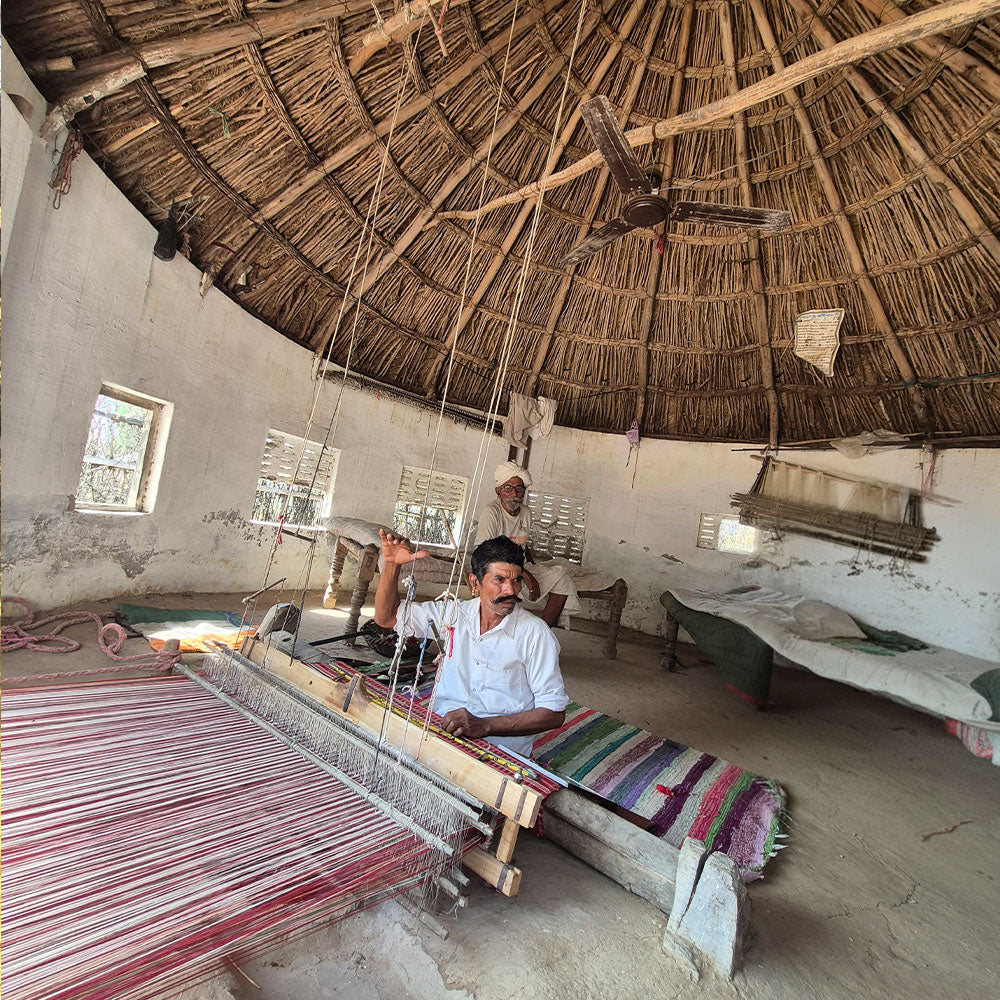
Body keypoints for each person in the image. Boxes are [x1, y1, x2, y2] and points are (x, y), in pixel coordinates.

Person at [372, 530, 568, 756]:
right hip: (442, 732)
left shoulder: (535, 634)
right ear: (475, 582)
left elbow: (554, 712)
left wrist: (485, 725)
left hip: (500, 752)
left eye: (517, 580)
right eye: (500, 579)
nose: (511, 590)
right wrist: (391, 564)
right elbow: (387, 618)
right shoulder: (454, 614)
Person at [475, 460, 581, 626]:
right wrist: (524, 574)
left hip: (521, 567)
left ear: (524, 492)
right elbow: (484, 553)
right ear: (498, 491)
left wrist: (527, 568)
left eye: (519, 489)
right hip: (496, 569)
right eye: (508, 488)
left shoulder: (526, 513)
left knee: (563, 579)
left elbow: (522, 546)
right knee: (507, 589)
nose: (514, 494)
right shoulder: (491, 513)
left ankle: (542, 631)